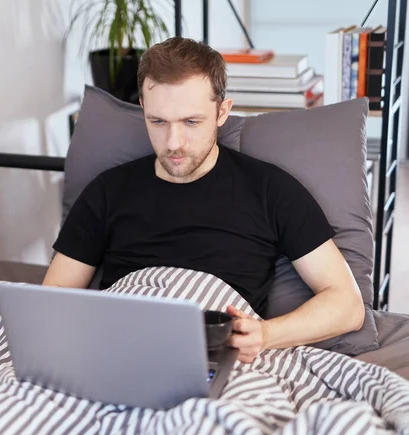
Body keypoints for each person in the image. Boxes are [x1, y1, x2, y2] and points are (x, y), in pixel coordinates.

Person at [42, 36, 365, 363]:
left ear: (222, 111)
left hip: (214, 356)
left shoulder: (271, 190)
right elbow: (51, 301)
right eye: (158, 121)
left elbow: (347, 305)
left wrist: (266, 334)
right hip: (117, 351)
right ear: (143, 108)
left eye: (191, 122)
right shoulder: (107, 191)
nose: (173, 143)